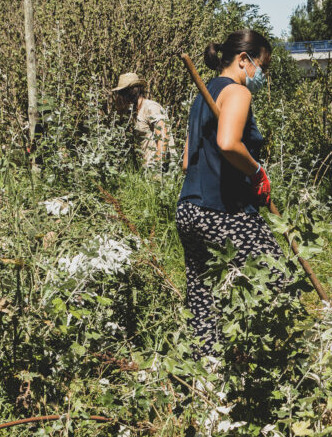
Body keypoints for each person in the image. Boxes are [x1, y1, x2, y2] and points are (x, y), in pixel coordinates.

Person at [176, 29, 281, 360]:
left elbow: (186, 162)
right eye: (262, 66)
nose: (262, 74)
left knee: (203, 298)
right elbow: (227, 143)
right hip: (221, 210)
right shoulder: (237, 92)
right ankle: (264, 361)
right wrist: (256, 172)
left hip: (189, 210)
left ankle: (207, 372)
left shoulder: (203, 94)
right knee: (275, 276)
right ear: (244, 60)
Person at [112, 72, 174, 170]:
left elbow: (163, 137)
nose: (120, 96)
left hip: (161, 169)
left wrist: (157, 166)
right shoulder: (134, 111)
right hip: (147, 169)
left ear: (132, 91)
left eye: (122, 92)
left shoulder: (151, 108)